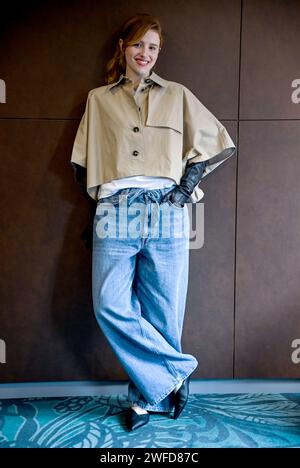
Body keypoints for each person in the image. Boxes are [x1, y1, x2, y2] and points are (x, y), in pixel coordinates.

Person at [70, 13, 236, 431]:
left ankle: (146, 402)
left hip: (167, 211)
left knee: (165, 310)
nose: (145, 53)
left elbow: (212, 146)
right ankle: (178, 371)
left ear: (159, 53)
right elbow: (84, 164)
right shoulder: (98, 99)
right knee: (109, 304)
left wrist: (181, 193)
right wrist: (96, 213)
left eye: (153, 47)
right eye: (139, 44)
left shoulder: (178, 94)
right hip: (115, 209)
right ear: (123, 46)